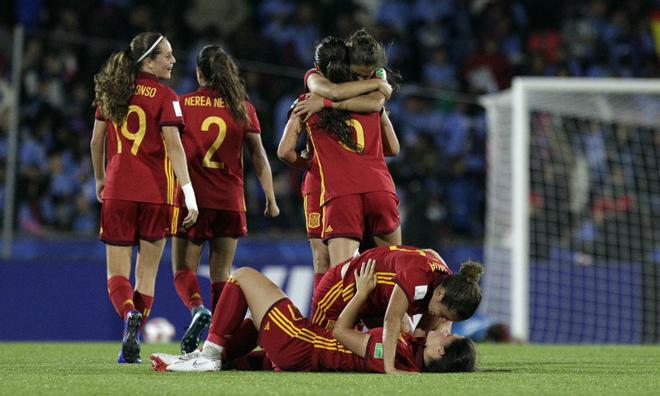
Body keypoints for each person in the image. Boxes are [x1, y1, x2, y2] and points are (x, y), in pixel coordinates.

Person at [150, 259, 476, 373]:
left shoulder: (396, 349)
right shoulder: (408, 351)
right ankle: (208, 358)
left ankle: (208, 356)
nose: (444, 330)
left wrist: (362, 293)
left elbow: (342, 333)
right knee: (251, 324)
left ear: (439, 352)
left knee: (245, 277)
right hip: (302, 350)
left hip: (302, 341)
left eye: (448, 336)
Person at [90, 32, 199, 364]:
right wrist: (189, 193)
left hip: (118, 190)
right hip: (156, 195)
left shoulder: (112, 92)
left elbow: (97, 143)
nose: (173, 61)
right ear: (149, 61)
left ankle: (127, 316)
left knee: (117, 275)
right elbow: (175, 147)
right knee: (146, 275)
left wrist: (100, 179)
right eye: (166, 55)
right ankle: (131, 339)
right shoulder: (166, 96)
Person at [171, 44, 280, 354]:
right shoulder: (243, 108)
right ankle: (215, 341)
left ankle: (197, 309)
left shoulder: (182, 105)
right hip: (230, 202)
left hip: (193, 199)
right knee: (222, 274)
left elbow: (170, 149)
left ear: (199, 73)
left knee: (183, 269)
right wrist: (270, 197)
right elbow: (259, 155)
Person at [277, 34, 396, 296]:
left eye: (369, 76)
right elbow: (391, 143)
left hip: (333, 187)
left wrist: (308, 164)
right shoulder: (365, 96)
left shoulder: (308, 100)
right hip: (359, 183)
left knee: (327, 262)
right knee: (378, 261)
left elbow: (284, 151)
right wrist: (379, 85)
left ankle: (323, 323)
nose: (365, 79)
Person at [311, 244, 483, 374]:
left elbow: (431, 252)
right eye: (443, 315)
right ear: (439, 294)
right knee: (316, 346)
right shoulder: (417, 276)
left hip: (371, 303)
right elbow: (391, 319)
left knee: (404, 334)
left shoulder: (446, 285)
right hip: (340, 290)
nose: (441, 320)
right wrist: (390, 368)